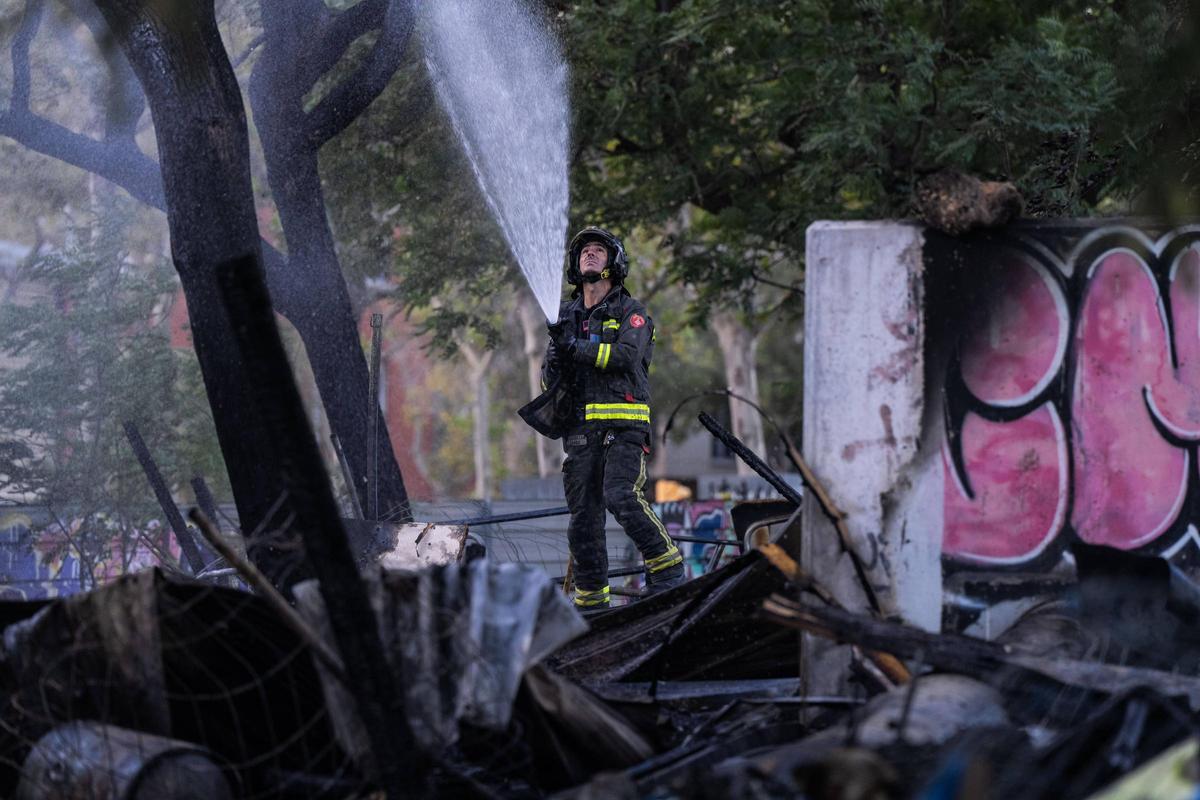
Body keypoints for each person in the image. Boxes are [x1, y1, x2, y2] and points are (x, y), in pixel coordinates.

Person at [540, 226, 684, 609]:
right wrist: (554, 362)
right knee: (583, 520)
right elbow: (548, 380)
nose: (589, 254)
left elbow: (624, 357)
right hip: (581, 434)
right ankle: (592, 605)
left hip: (624, 429)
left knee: (620, 495)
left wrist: (576, 349)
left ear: (614, 263)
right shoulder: (565, 317)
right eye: (584, 250)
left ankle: (667, 570)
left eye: (598, 250)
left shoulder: (630, 312)